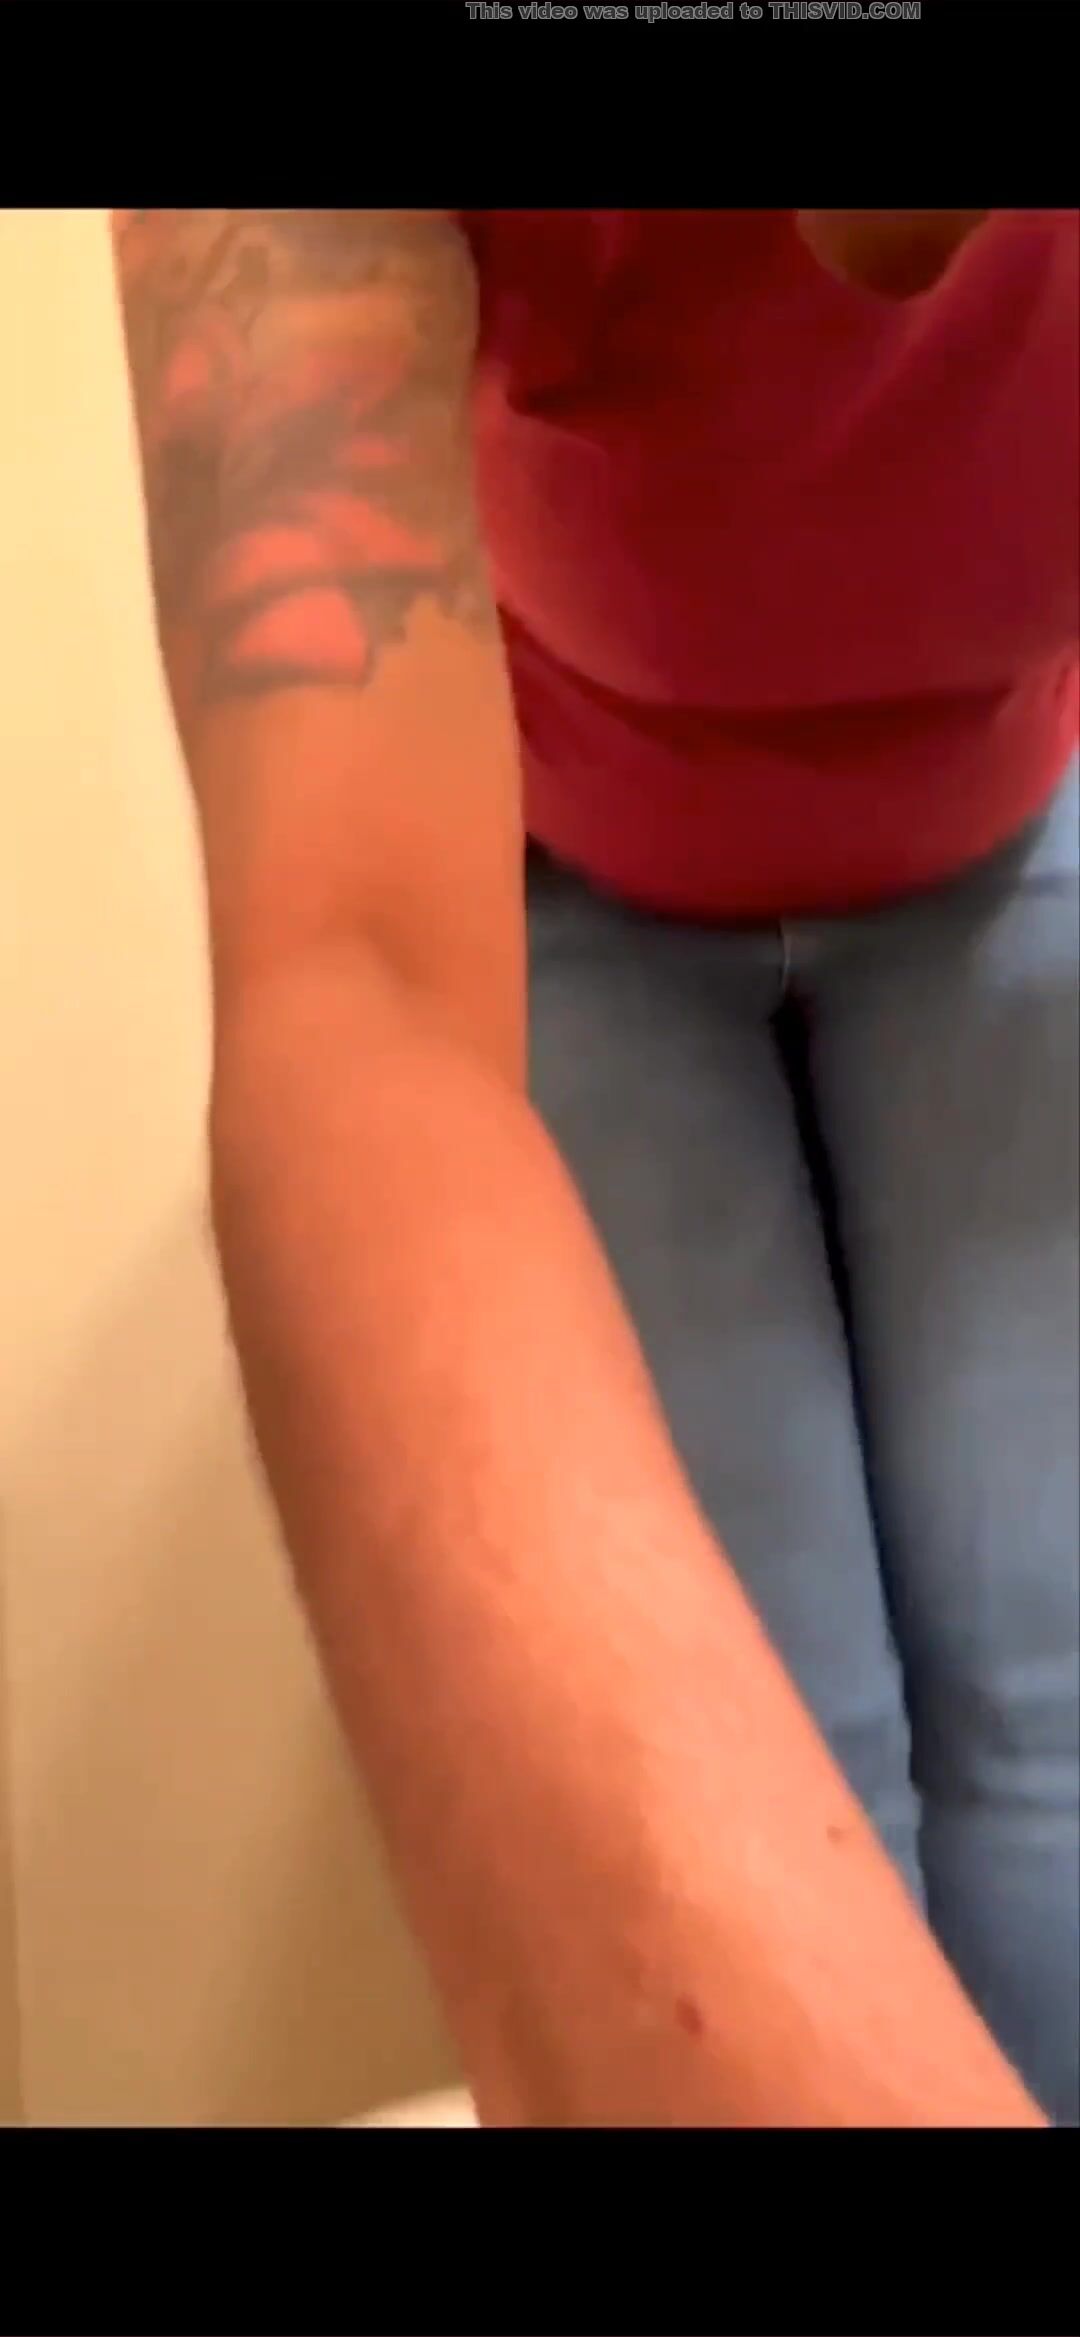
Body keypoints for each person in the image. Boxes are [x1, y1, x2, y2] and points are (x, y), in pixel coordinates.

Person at [111, 207, 1078, 2128]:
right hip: (582, 890)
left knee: (1052, 1753)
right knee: (799, 1743)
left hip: (1004, 854)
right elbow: (354, 987)